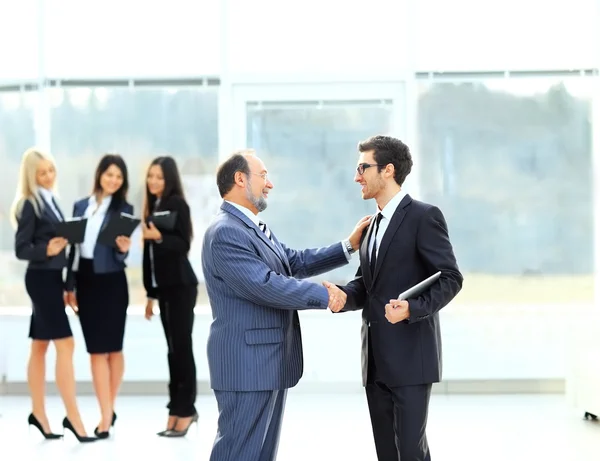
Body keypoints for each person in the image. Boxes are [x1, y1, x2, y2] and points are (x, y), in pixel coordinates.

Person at [201, 149, 370, 461]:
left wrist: (348, 246)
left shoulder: (250, 226)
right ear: (241, 179)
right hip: (245, 365)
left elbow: (291, 262)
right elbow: (265, 284)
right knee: (238, 453)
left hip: (265, 361)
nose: (270, 184)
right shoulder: (225, 232)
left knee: (259, 454)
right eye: (263, 175)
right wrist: (328, 296)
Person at [325, 135, 463, 461]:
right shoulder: (370, 226)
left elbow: (451, 278)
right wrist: (344, 295)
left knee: (411, 453)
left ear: (387, 170)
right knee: (387, 452)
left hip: (411, 358)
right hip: (375, 361)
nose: (357, 175)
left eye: (363, 167)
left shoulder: (423, 217)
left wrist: (412, 309)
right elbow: (368, 285)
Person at [12, 148, 95, 443]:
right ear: (31, 176)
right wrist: (45, 250)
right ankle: (73, 417)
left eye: (51, 170)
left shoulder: (51, 201)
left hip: (53, 279)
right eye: (42, 172)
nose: (48, 176)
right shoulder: (30, 204)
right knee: (66, 344)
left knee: (40, 347)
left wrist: (66, 283)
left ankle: (39, 414)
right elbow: (21, 248)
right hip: (40, 279)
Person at [65, 154, 133, 439]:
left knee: (114, 349)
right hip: (86, 281)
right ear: (100, 174)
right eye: (110, 174)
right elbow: (72, 249)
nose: (113, 180)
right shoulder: (81, 205)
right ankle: (107, 410)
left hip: (113, 282)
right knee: (95, 350)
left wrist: (124, 248)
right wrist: (68, 285)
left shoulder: (124, 209)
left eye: (119, 176)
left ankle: (106, 415)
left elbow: (121, 253)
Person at [142, 156, 199, 437]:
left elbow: (183, 244)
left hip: (181, 286)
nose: (154, 181)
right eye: (151, 176)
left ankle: (185, 409)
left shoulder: (177, 204)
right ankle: (177, 407)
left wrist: (158, 237)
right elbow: (150, 259)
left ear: (170, 179)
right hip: (164, 288)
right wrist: (150, 294)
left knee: (181, 348)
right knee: (172, 349)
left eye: (159, 177)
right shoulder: (153, 206)